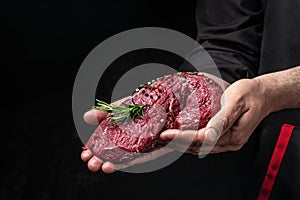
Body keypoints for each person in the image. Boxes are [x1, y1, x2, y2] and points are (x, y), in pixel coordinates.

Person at [81, 0, 300, 199]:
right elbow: (228, 37)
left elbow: (273, 90)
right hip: (282, 161)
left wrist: (275, 91)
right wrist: (200, 85)